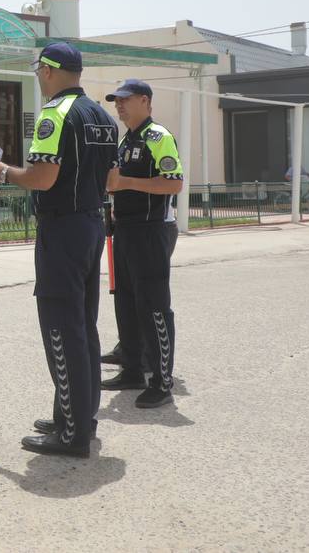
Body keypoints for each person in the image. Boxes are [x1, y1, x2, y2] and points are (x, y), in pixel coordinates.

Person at [0, 42, 118, 458]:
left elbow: (42, 178)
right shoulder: (102, 117)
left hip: (64, 229)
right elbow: (110, 181)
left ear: (51, 71)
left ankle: (71, 433)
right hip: (92, 223)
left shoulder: (55, 114)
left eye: (40, 70)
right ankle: (77, 416)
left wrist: (3, 172)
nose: (38, 76)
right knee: (83, 325)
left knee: (61, 325)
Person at [102, 79, 183, 409]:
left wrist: (126, 182)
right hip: (124, 231)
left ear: (145, 101)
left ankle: (162, 382)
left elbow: (174, 184)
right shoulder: (126, 141)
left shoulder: (157, 136)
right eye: (116, 101)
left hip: (150, 231)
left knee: (154, 307)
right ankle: (133, 370)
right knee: (126, 303)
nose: (118, 105)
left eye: (125, 99)